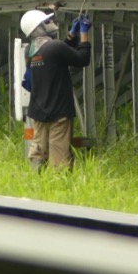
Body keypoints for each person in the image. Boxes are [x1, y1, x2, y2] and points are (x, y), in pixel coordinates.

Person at [19, 9, 92, 170]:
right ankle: (59, 182)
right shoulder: (56, 47)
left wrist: (71, 36)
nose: (51, 23)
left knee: (39, 151)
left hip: (38, 111)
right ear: (39, 27)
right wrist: (83, 33)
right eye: (46, 21)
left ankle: (35, 178)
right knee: (60, 158)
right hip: (59, 112)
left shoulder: (31, 50)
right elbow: (82, 59)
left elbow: (57, 55)